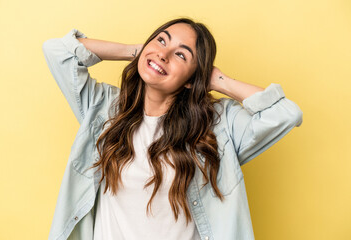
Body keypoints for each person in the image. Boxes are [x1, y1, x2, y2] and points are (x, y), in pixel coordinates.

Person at [42, 17, 303, 240]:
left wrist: (217, 80)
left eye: (181, 54)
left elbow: (285, 113)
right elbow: (58, 51)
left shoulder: (215, 127)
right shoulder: (104, 109)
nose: (163, 54)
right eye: (161, 40)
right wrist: (140, 51)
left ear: (193, 78)